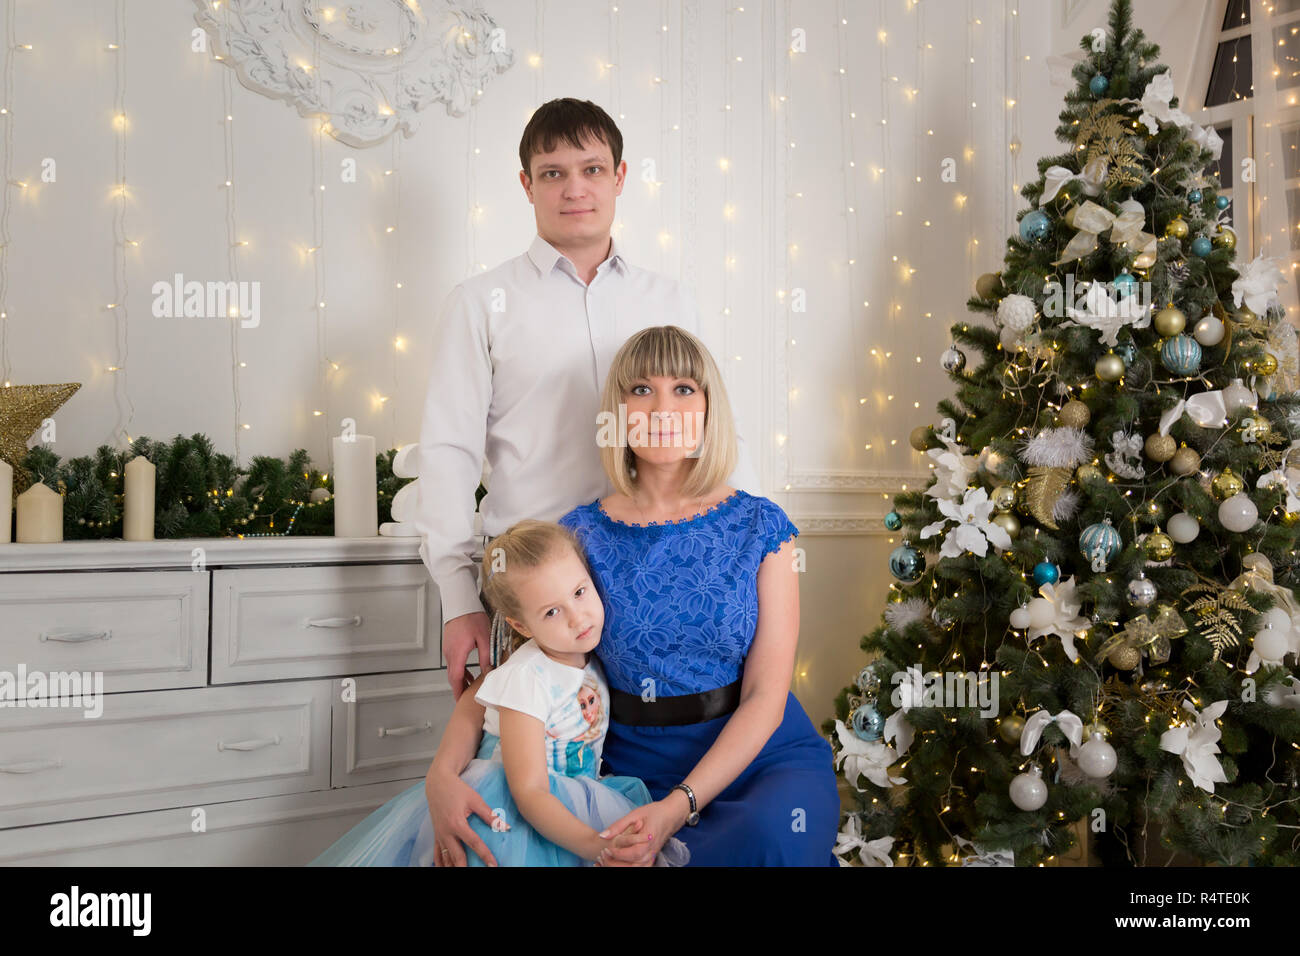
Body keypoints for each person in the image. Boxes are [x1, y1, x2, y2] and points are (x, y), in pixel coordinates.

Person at [425, 325, 842, 867]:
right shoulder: (580, 535)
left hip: (758, 755)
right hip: (629, 769)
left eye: (684, 389)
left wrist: (679, 805)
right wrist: (440, 776)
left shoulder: (762, 526)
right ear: (616, 413)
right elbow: (512, 676)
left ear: (709, 408)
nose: (662, 408)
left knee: (771, 838)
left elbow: (767, 694)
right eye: (641, 390)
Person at [413, 97, 762, 708]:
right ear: (527, 185)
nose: (574, 188)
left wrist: (760, 556)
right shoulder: (480, 302)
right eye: (553, 173)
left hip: (654, 580)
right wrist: (458, 599)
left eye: (592, 169)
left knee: (642, 777)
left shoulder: (672, 300)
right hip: (535, 589)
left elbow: (713, 430)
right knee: (532, 779)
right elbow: (449, 452)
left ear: (619, 177)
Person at [308, 519, 689, 867]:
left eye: (579, 592)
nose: (578, 617)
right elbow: (530, 791)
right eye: (551, 612)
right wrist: (595, 845)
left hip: (578, 799)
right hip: (514, 809)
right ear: (520, 624)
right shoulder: (528, 677)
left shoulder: (590, 658)